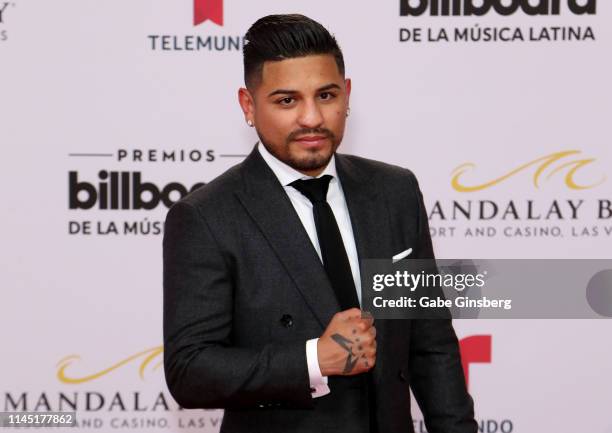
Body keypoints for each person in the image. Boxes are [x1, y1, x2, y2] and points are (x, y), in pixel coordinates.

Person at [163, 13, 477, 433]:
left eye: (326, 95)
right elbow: (189, 371)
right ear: (248, 105)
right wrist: (312, 359)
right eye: (287, 100)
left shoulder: (394, 191)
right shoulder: (207, 216)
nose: (311, 118)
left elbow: (430, 344)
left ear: (347, 95)